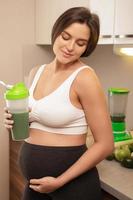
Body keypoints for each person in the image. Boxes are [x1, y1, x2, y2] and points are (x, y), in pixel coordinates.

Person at [4, 7, 114, 200]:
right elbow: (40, 123)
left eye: (80, 43)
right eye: (66, 36)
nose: (70, 47)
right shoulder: (36, 72)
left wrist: (59, 181)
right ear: (56, 32)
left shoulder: (85, 78)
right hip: (35, 186)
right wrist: (14, 120)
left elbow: (105, 144)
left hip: (72, 188)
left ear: (86, 47)